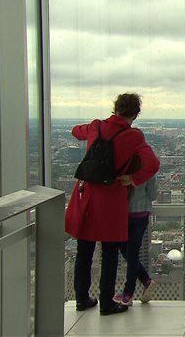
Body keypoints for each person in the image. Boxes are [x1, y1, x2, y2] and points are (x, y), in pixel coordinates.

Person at [65, 93, 159, 316]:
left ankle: (81, 298)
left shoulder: (96, 126)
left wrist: (89, 131)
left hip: (87, 197)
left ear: (115, 108)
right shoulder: (133, 136)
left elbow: (76, 131)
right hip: (111, 200)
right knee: (109, 254)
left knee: (84, 251)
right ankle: (107, 303)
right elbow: (153, 164)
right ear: (135, 115)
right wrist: (132, 179)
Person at [113, 155, 159, 306]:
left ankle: (128, 293)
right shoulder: (147, 167)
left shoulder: (120, 163)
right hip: (140, 215)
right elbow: (153, 195)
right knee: (131, 253)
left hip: (122, 213)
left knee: (127, 252)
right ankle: (144, 281)